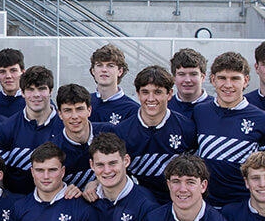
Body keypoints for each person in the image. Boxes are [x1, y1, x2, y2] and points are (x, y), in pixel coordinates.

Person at [193, 51, 265, 207]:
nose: (228, 85)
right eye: (222, 78)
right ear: (213, 80)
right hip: (205, 204)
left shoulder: (262, 120)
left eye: (235, 78)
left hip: (242, 206)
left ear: (246, 81)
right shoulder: (200, 112)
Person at [112, 65, 196, 203]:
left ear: (169, 94)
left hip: (177, 202)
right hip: (138, 203)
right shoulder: (122, 132)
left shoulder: (186, 127)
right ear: (138, 94)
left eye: (157, 92)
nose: (151, 98)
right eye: (145, 92)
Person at [0, 66, 64, 194]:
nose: (36, 95)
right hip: (17, 204)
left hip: (58, 203)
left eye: (42, 89)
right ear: (22, 92)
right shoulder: (7, 127)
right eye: (30, 90)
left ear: (51, 91)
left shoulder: (65, 126)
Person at [55, 83, 107, 189]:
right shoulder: (54, 150)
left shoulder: (110, 132)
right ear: (60, 114)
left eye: (79, 109)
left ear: (89, 110)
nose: (74, 116)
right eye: (68, 110)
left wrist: (98, 182)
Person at [89, 44, 140, 125]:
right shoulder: (84, 103)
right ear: (93, 71)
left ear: (120, 71)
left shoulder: (132, 110)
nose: (104, 70)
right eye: (99, 65)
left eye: (110, 66)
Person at [168, 48, 210, 117]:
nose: (187, 80)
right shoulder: (165, 107)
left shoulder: (217, 108)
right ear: (174, 78)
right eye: (181, 74)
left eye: (193, 74)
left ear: (203, 77)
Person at [0, 48, 26, 117]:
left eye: (13, 70)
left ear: (22, 73)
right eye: (2, 71)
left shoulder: (33, 102)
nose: (8, 76)